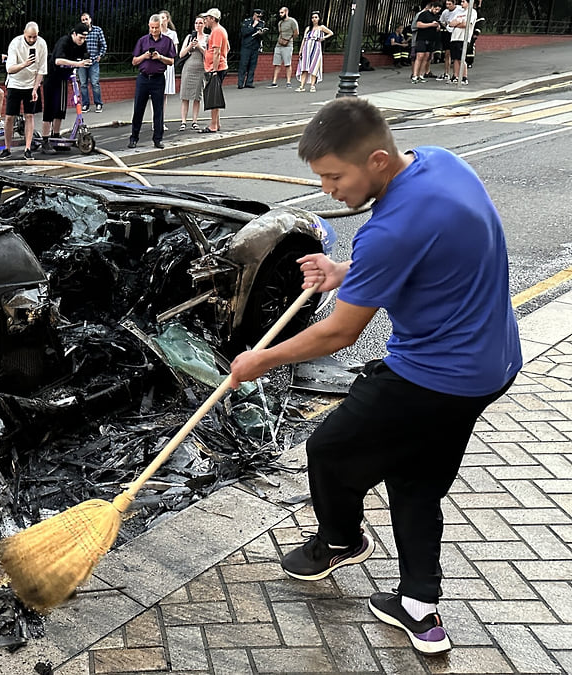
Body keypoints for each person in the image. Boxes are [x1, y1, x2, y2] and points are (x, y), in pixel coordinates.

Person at [230, 96, 520, 656]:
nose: (328, 190)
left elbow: (339, 334)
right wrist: (344, 273)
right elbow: (427, 255)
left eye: (335, 176)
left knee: (330, 450)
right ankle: (419, 607)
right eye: (320, 178)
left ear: (379, 161)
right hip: (492, 363)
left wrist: (257, 360)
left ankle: (340, 540)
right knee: (416, 478)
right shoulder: (439, 162)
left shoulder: (389, 231)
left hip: (435, 375)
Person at [127, 15, 176, 149]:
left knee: (158, 110)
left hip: (158, 78)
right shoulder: (143, 40)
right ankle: (134, 137)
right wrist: (145, 56)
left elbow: (171, 61)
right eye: (152, 28)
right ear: (149, 26)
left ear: (161, 26)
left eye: (156, 28)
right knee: (138, 108)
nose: (154, 30)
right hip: (143, 78)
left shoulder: (167, 41)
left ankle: (158, 139)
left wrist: (159, 57)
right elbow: (134, 61)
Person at [0, 22, 47, 160]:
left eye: (35, 37)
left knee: (29, 115)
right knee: (9, 117)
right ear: (24, 33)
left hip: (31, 83)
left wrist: (35, 89)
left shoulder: (41, 44)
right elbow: (10, 69)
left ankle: (27, 148)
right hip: (15, 83)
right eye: (29, 37)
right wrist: (25, 64)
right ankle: (7, 148)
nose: (32, 40)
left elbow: (41, 70)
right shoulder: (16, 43)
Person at [40, 24, 90, 154]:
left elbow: (84, 56)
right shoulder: (64, 41)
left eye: (85, 38)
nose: (82, 41)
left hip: (64, 77)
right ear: (74, 34)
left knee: (61, 108)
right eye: (80, 38)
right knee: (50, 108)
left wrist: (87, 60)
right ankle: (45, 140)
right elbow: (58, 60)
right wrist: (77, 64)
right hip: (52, 76)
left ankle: (56, 135)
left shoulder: (81, 44)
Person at [200, 8, 229, 134]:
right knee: (215, 95)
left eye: (206, 18)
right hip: (218, 67)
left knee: (213, 97)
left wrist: (214, 70)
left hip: (215, 69)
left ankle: (213, 125)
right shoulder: (219, 30)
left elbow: (217, 52)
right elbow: (227, 47)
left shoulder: (217, 31)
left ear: (212, 19)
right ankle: (216, 123)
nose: (205, 20)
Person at [178, 17, 208, 132]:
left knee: (197, 96)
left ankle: (195, 121)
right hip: (188, 68)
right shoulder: (189, 37)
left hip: (200, 69)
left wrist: (200, 47)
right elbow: (181, 54)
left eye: (200, 23)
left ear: (204, 24)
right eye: (196, 23)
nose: (198, 25)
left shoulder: (207, 38)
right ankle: (183, 121)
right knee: (185, 96)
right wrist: (190, 46)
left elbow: (209, 55)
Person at [295, 11, 332, 92]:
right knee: (304, 67)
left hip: (316, 48)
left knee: (314, 66)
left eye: (316, 17)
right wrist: (301, 50)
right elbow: (304, 39)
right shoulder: (308, 28)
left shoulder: (321, 27)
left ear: (319, 18)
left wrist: (323, 38)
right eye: (313, 17)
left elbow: (331, 33)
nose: (314, 19)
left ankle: (312, 85)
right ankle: (302, 86)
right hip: (306, 48)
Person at [78, 12, 106, 113]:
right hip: (82, 62)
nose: (85, 21)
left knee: (95, 83)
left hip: (93, 61)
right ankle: (85, 104)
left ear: (90, 19)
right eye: (83, 20)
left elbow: (103, 45)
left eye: (86, 19)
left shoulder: (97, 30)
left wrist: (100, 55)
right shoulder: (79, 31)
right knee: (83, 84)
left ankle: (98, 103)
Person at [412, 1, 442, 83]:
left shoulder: (436, 16)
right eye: (435, 9)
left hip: (431, 38)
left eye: (438, 10)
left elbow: (437, 24)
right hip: (422, 38)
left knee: (427, 56)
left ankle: (421, 74)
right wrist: (430, 25)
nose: (436, 11)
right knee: (420, 56)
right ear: (432, 7)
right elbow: (418, 25)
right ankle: (415, 75)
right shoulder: (424, 14)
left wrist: (437, 26)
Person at [158, 10, 179, 129]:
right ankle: (156, 121)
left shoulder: (172, 34)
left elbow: (174, 52)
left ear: (167, 20)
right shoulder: (155, 32)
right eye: (159, 18)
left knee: (164, 95)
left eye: (163, 18)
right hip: (157, 65)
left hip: (167, 66)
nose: (161, 20)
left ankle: (161, 121)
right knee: (156, 94)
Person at [268, 7, 299, 87]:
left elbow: (296, 33)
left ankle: (288, 82)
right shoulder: (280, 23)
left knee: (287, 64)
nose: (280, 14)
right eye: (280, 13)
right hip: (279, 44)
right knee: (277, 64)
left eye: (282, 12)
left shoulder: (292, 21)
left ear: (286, 12)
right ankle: (274, 81)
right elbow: (280, 32)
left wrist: (289, 39)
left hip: (288, 45)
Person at [447, 0, 476, 85]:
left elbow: (466, 24)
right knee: (455, 58)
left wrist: (457, 23)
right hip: (454, 37)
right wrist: (457, 22)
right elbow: (451, 23)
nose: (461, 3)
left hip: (463, 37)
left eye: (463, 1)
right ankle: (455, 76)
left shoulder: (472, 12)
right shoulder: (458, 12)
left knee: (461, 58)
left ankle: (464, 77)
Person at [238, 9, 267, 88]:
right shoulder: (247, 22)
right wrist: (253, 26)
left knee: (252, 65)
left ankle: (249, 82)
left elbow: (262, 36)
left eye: (260, 16)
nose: (259, 18)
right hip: (246, 46)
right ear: (254, 15)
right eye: (258, 16)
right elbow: (244, 32)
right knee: (243, 65)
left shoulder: (261, 23)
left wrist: (261, 33)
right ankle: (240, 83)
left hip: (255, 46)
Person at [438, 0, 457, 81]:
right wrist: (446, 25)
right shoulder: (445, 12)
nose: (448, 6)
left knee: (456, 55)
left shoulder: (459, 9)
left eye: (450, 4)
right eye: (446, 4)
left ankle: (456, 74)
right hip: (447, 33)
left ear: (454, 3)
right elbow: (441, 21)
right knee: (447, 54)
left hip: (456, 33)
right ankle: (446, 73)